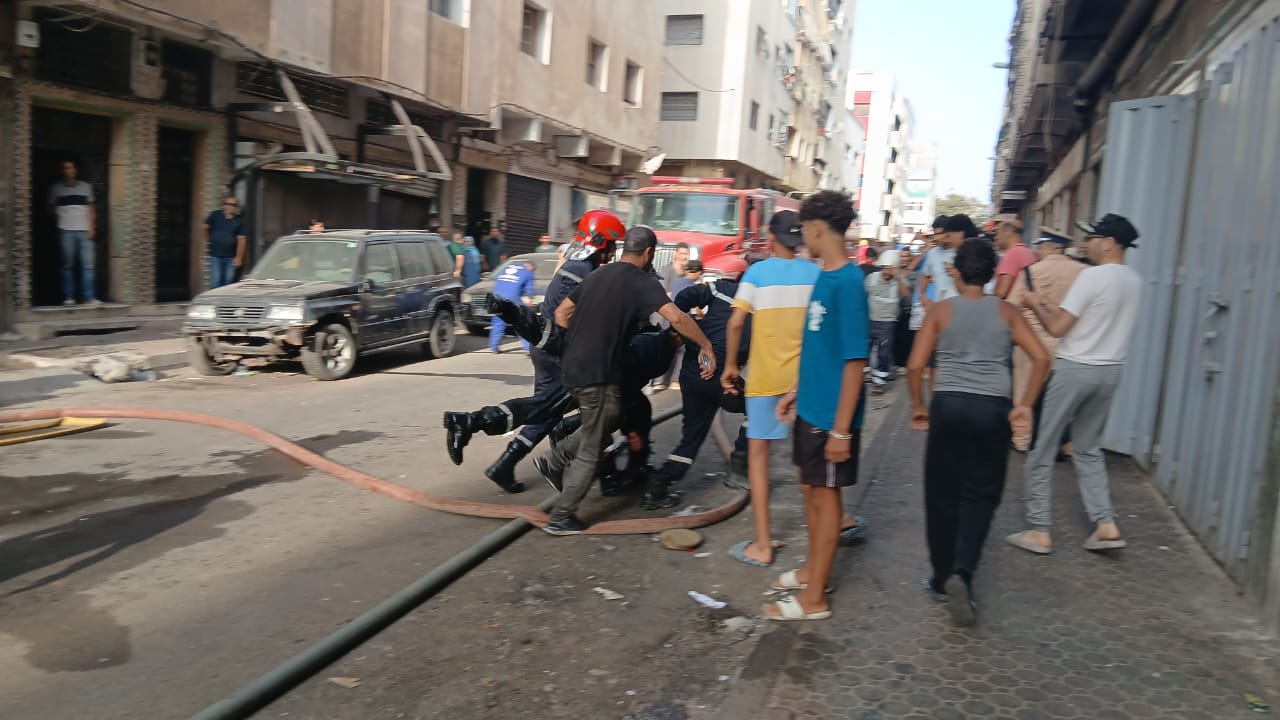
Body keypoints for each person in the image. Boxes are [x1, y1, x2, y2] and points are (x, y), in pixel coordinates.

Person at [532, 226, 716, 535]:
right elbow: (677, 318)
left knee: (609, 417)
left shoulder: (598, 275)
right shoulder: (641, 282)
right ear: (649, 253)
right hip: (598, 373)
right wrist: (707, 346)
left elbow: (562, 312)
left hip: (574, 367)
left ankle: (556, 458)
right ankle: (561, 516)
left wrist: (579, 341)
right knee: (593, 444)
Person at [908, 239, 1050, 627]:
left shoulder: (940, 311)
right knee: (981, 493)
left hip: (948, 407)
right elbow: (1042, 357)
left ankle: (940, 579)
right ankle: (963, 571)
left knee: (941, 494)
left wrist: (918, 405)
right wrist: (1024, 405)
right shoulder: (1007, 311)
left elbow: (915, 365)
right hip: (991, 410)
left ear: (956, 270)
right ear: (990, 274)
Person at [444, 210, 625, 492]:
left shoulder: (577, 266)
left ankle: (504, 464)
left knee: (546, 410)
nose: (613, 253)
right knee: (594, 408)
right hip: (559, 351)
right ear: (599, 242)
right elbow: (573, 317)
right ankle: (471, 422)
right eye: (611, 245)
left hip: (546, 348)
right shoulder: (584, 272)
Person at [1007, 213, 1143, 555]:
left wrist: (1032, 303)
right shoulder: (1134, 281)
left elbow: (1056, 329)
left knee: (1042, 448)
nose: (1086, 244)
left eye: (1092, 238)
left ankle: (1039, 529)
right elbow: (1086, 320)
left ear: (1109, 243)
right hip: (1110, 370)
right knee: (1087, 448)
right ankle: (1105, 524)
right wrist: (1045, 305)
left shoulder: (1092, 276)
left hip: (1075, 368)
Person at [763, 190, 867, 622]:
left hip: (831, 419)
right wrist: (797, 390)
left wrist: (841, 431)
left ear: (819, 229)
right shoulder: (825, 276)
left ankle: (815, 598)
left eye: (805, 230)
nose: (802, 238)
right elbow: (819, 346)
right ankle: (812, 571)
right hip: (812, 407)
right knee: (810, 490)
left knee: (826, 500)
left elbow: (855, 362)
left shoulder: (849, 284)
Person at [653, 273, 743, 485]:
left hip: (692, 371)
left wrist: (685, 331)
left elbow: (684, 297)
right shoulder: (763, 304)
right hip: (724, 379)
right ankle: (741, 465)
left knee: (692, 436)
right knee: (759, 410)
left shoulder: (723, 288)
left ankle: (661, 482)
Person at [1005, 230, 1085, 452]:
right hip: (1068, 343)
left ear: (1048, 247)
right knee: (1059, 398)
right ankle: (1058, 442)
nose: (1037, 251)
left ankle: (1022, 439)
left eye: (1040, 247)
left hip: (1031, 342)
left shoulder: (1031, 271)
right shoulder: (1083, 272)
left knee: (1024, 392)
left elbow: (1011, 306)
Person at [48, 160, 100, 305]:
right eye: (66, 168)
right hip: (65, 231)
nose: (69, 170)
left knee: (88, 266)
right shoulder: (56, 189)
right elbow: (50, 209)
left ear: (76, 170)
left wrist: (92, 227)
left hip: (84, 231)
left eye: (72, 168)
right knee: (67, 266)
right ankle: (69, 297)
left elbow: (91, 209)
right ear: (61, 171)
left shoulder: (85, 187)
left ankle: (89, 297)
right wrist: (61, 217)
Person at [865, 249, 910, 392]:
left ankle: (880, 382)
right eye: (884, 267)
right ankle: (873, 375)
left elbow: (906, 294)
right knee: (868, 351)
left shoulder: (899, 280)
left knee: (883, 353)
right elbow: (862, 295)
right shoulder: (872, 278)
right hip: (870, 320)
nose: (886, 271)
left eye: (889, 268)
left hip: (887, 323)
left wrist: (898, 278)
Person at [489, 260, 535, 354]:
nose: (532, 271)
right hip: (512, 297)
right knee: (521, 322)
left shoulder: (505, 268)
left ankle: (494, 347)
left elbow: (498, 282)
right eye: (533, 270)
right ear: (530, 266)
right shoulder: (528, 272)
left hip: (497, 296)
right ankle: (528, 348)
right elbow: (529, 289)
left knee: (498, 321)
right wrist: (530, 300)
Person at [204, 196, 247, 289]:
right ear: (224, 205)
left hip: (231, 258)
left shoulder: (239, 221)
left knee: (228, 283)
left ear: (236, 207)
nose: (230, 207)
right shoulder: (215, 215)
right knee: (215, 282)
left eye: (234, 205)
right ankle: (214, 298)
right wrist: (210, 239)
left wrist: (239, 257)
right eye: (228, 204)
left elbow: (242, 240)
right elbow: (205, 228)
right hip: (215, 256)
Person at [992, 219, 1034, 299]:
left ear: (1007, 233)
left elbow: (1001, 293)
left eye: (997, 234)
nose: (995, 238)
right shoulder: (1027, 251)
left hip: (1009, 304)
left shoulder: (1012, 253)